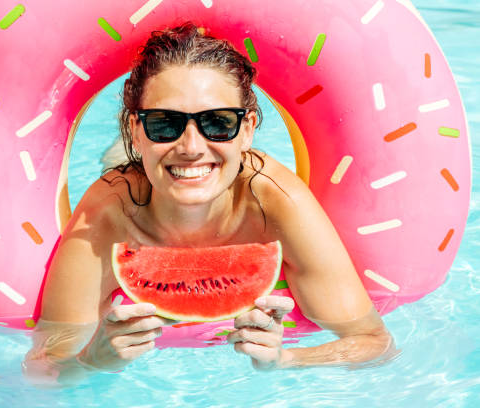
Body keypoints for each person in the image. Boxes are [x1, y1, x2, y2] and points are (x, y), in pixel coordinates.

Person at [23, 23, 395, 387]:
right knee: (127, 166)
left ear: (247, 129)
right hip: (138, 175)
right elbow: (40, 371)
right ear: (137, 131)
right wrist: (91, 361)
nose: (191, 146)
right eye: (163, 123)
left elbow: (375, 343)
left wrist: (286, 360)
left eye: (217, 123)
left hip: (161, 168)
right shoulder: (107, 213)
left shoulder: (277, 201)